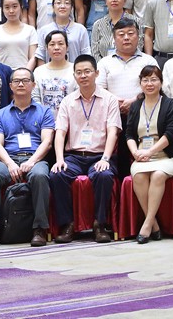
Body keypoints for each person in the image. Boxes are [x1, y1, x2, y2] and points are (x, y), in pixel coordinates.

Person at [0, 67, 56, 248]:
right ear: (10, 86)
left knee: (40, 176)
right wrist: (9, 163)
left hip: (35, 158)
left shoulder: (45, 111)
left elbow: (47, 142)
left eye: (25, 80)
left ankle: (39, 229)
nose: (21, 84)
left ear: (33, 85)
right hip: (8, 158)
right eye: (16, 81)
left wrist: (32, 161)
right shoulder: (1, 113)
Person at [51, 56, 120, 242]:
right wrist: (59, 159)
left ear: (96, 73)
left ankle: (100, 224)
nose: (83, 76)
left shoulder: (110, 99)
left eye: (87, 71)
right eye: (79, 72)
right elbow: (60, 133)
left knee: (104, 175)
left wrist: (105, 158)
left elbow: (113, 132)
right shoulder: (67, 101)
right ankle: (67, 225)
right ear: (74, 76)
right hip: (74, 156)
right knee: (57, 175)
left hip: (100, 155)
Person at [123, 66, 173, 243]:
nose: (150, 84)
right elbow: (129, 135)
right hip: (141, 156)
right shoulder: (135, 106)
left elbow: (170, 135)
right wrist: (135, 152)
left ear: (161, 82)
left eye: (154, 79)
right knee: (139, 175)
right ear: (140, 83)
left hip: (166, 156)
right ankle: (154, 225)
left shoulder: (170, 105)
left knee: (157, 175)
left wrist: (150, 152)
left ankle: (148, 224)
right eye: (146, 80)